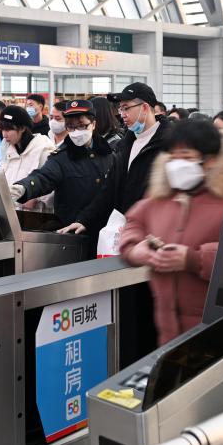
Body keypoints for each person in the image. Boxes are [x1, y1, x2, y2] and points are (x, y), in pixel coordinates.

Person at [119, 119, 223, 344]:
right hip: (169, 333)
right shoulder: (164, 190)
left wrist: (193, 259)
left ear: (210, 160)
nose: (178, 164)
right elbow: (134, 221)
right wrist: (134, 249)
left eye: (187, 157)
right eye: (173, 157)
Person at [61, 82, 170, 363]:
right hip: (128, 239)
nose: (121, 114)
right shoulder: (128, 141)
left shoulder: (170, 142)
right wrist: (84, 220)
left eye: (126, 108)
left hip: (157, 241)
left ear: (146, 107)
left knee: (150, 312)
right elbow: (111, 189)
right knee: (129, 308)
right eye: (119, 109)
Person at [8, 100, 114, 227]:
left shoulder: (109, 154)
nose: (76, 132)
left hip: (105, 230)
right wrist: (23, 188)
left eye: (81, 126)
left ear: (93, 124)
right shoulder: (61, 157)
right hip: (72, 230)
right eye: (71, 127)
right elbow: (44, 177)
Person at [0, 106, 55, 217]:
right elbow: (2, 184)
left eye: (9, 129)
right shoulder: (7, 149)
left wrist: (36, 198)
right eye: (3, 129)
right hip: (11, 218)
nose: (4, 135)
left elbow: (53, 184)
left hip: (36, 220)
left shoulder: (44, 150)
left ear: (23, 128)